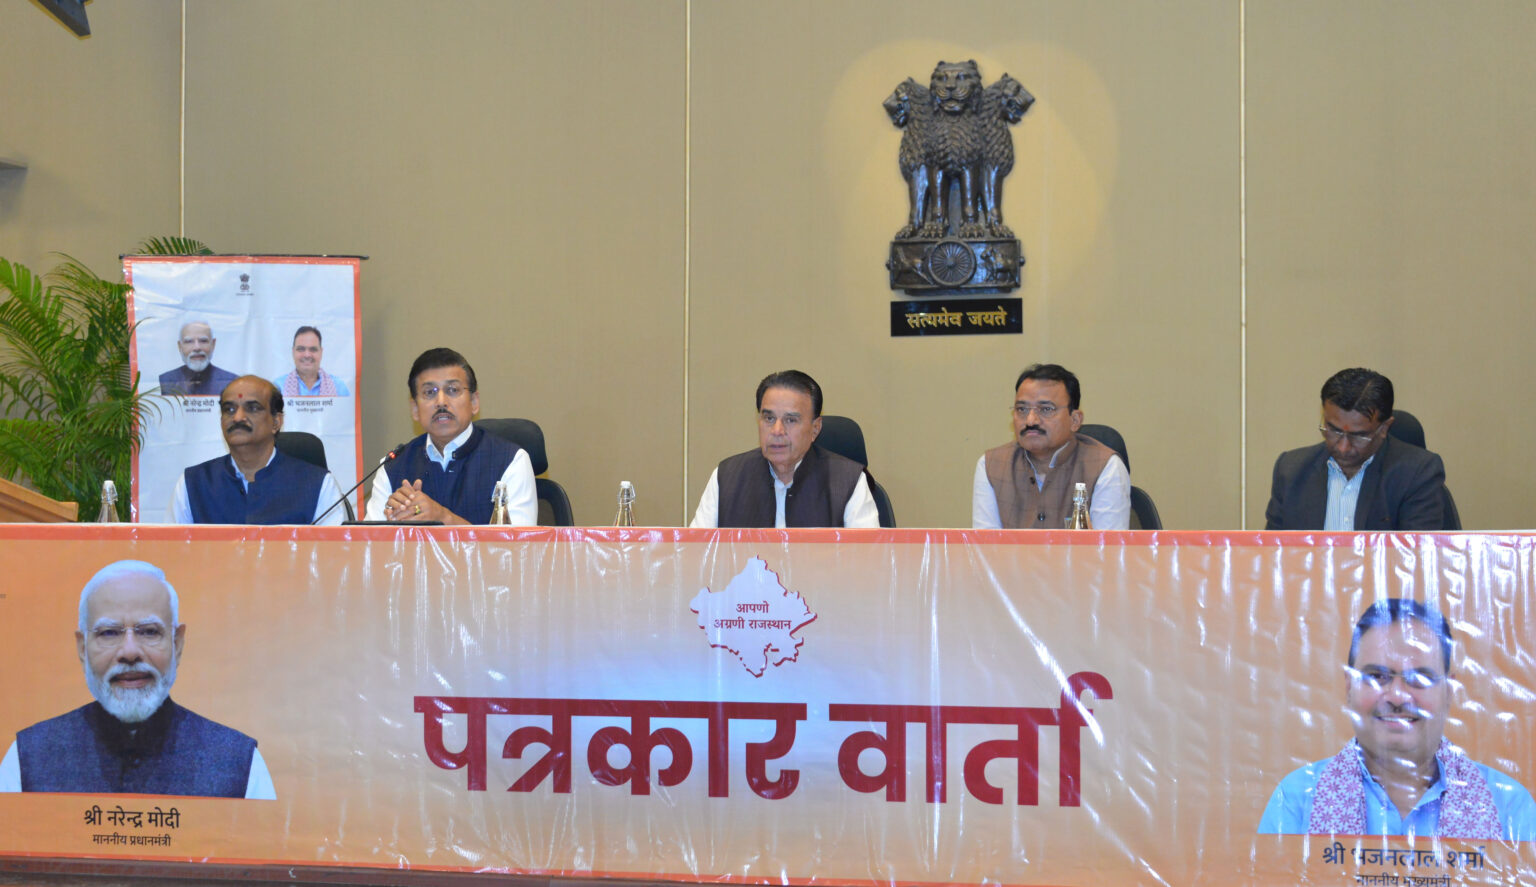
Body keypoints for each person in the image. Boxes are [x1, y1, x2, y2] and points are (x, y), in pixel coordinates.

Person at [1258, 599, 1535, 839]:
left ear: (1449, 691)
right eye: (1378, 676)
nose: (1398, 696)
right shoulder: (1296, 801)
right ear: (1349, 687)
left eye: (1420, 678)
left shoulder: (1509, 807)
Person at [0, 560, 275, 798]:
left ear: (177, 644)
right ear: (82, 648)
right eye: (109, 633)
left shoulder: (239, 764)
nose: (130, 652)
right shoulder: (27, 760)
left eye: (149, 632)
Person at [364, 347, 536, 525]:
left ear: (474, 402)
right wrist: (393, 524)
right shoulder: (392, 467)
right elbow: (366, 541)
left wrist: (443, 518)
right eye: (429, 392)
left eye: (452, 390)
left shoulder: (511, 461)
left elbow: (520, 543)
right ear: (415, 409)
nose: (441, 402)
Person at [690, 370, 879, 528]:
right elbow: (697, 554)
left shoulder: (848, 481)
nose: (777, 430)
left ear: (815, 429)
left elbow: (868, 558)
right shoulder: (727, 477)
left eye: (790, 420)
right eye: (769, 418)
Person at [1265, 368, 1447, 531]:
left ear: (1384, 428)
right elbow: (1272, 552)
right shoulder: (1291, 471)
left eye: (1358, 436)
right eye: (1334, 430)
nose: (1343, 447)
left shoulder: (1417, 473)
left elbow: (1417, 554)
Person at [972, 363, 1130, 529]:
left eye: (1046, 409)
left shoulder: (1106, 467)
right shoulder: (990, 466)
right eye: (1022, 409)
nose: (1031, 421)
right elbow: (985, 544)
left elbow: (1107, 545)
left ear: (1075, 420)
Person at [170, 376, 345, 525]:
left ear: (276, 422)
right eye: (229, 409)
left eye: (252, 408)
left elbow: (334, 552)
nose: (238, 417)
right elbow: (171, 550)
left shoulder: (319, 484)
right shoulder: (193, 483)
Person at [158, 320, 238, 396]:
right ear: (180, 346)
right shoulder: (166, 379)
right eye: (189, 341)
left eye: (203, 341)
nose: (197, 348)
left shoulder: (232, 381)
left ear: (213, 344)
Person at [273, 325, 349, 396]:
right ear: (293, 352)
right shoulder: (278, 388)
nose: (307, 355)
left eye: (313, 349)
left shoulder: (339, 388)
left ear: (321, 352)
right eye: (301, 349)